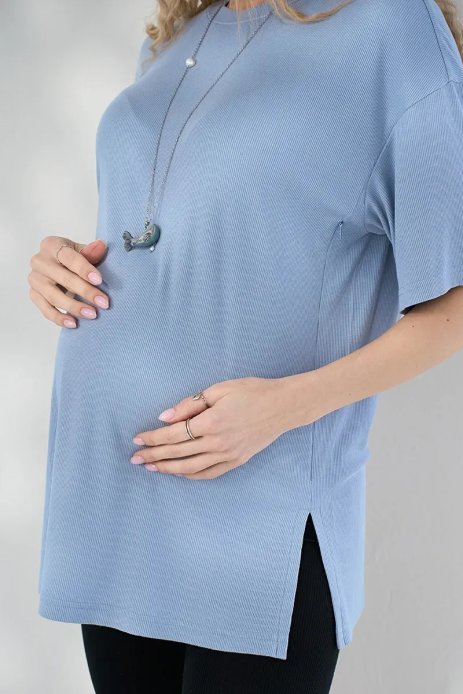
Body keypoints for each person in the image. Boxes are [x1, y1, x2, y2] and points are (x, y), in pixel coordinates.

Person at [29, 0, 463, 691]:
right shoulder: (175, 36)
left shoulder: (391, 24)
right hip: (116, 500)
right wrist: (59, 266)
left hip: (260, 515)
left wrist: (285, 406)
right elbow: (183, 232)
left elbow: (453, 302)